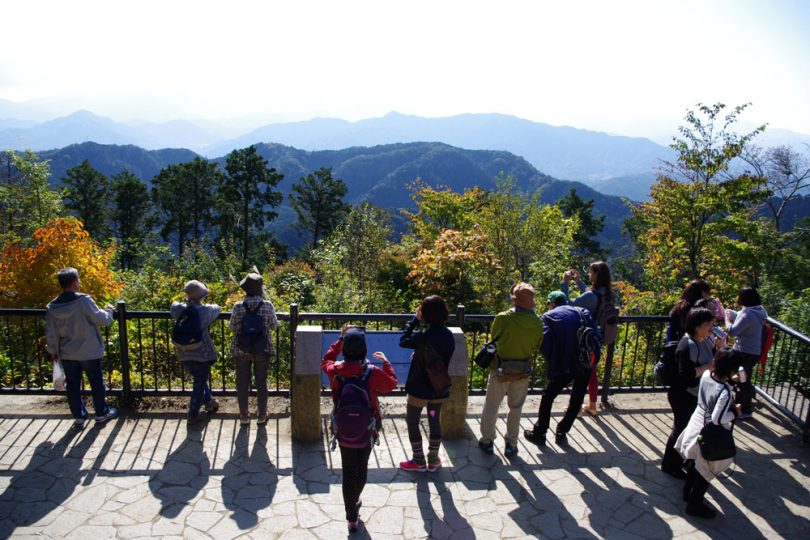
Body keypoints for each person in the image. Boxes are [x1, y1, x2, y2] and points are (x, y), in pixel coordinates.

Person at [322, 326, 397, 532]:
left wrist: (339, 340)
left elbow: (325, 361)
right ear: (364, 350)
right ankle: (356, 499)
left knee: (348, 470)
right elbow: (391, 384)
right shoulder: (371, 372)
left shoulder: (335, 371)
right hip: (368, 428)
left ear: (344, 349)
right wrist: (386, 362)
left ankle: (351, 518)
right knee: (361, 466)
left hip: (342, 427)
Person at [524, 291, 600, 447]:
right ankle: (562, 432)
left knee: (548, 396)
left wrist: (554, 363)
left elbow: (545, 345)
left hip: (564, 365)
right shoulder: (583, 312)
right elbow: (597, 336)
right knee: (577, 399)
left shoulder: (548, 317)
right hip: (585, 363)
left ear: (552, 302)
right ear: (565, 300)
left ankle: (540, 432)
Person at [45, 267, 118, 428]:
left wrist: (53, 351)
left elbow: (50, 333)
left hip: (67, 352)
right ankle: (101, 413)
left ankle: (79, 416)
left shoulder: (52, 307)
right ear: (74, 282)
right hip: (89, 351)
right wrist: (109, 311)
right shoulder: (83, 301)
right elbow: (102, 320)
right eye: (78, 279)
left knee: (72, 386)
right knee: (96, 383)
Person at [478, 283, 543, 457]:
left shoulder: (503, 318)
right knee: (515, 408)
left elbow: (494, 337)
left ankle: (487, 441)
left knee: (491, 406)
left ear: (514, 300)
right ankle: (511, 444)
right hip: (522, 371)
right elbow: (538, 344)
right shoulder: (537, 322)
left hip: (500, 369)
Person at [675, 349, 741, 519]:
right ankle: (694, 504)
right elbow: (718, 418)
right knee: (706, 469)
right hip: (710, 432)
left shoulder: (706, 375)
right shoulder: (725, 392)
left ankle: (687, 491)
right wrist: (735, 412)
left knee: (693, 460)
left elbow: (712, 390)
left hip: (696, 422)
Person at [660, 307, 723, 479]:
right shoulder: (688, 345)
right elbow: (686, 375)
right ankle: (670, 464)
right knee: (681, 428)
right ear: (697, 326)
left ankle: (682, 460)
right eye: (708, 324)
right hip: (683, 394)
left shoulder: (704, 341)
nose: (711, 327)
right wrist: (708, 367)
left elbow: (714, 362)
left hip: (695, 394)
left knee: (688, 428)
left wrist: (719, 348)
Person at [399, 295, 455, 472]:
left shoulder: (423, 336)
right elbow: (442, 358)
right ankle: (432, 460)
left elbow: (403, 340)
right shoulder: (448, 336)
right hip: (437, 390)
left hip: (419, 390)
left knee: (413, 421)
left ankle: (418, 461)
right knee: (433, 420)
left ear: (425, 314)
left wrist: (414, 320)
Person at [561, 261, 612, 416]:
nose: (589, 274)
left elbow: (568, 305)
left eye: (590, 272)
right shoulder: (606, 292)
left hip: (584, 338)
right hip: (597, 337)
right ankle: (592, 405)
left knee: (580, 372)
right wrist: (578, 282)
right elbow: (590, 295)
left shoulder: (591, 295)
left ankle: (575, 408)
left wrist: (565, 284)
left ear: (596, 275)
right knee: (591, 371)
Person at [229, 272, 278, 426]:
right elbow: (274, 326)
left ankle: (244, 416)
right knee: (261, 382)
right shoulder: (267, 305)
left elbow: (232, 327)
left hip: (241, 349)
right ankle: (262, 414)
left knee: (242, 382)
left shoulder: (238, 306)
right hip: (261, 348)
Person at [170, 280, 221, 425]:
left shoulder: (179, 310)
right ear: (202, 296)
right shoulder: (205, 311)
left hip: (183, 352)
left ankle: (209, 401)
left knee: (199, 379)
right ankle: (193, 414)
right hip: (201, 353)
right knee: (199, 383)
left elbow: (173, 305)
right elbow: (217, 308)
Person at [725, 287, 767, 420]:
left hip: (744, 353)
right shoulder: (759, 310)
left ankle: (745, 409)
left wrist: (726, 318)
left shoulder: (747, 314)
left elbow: (732, 331)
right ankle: (740, 406)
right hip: (753, 352)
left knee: (742, 381)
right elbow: (743, 318)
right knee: (744, 379)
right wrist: (731, 313)